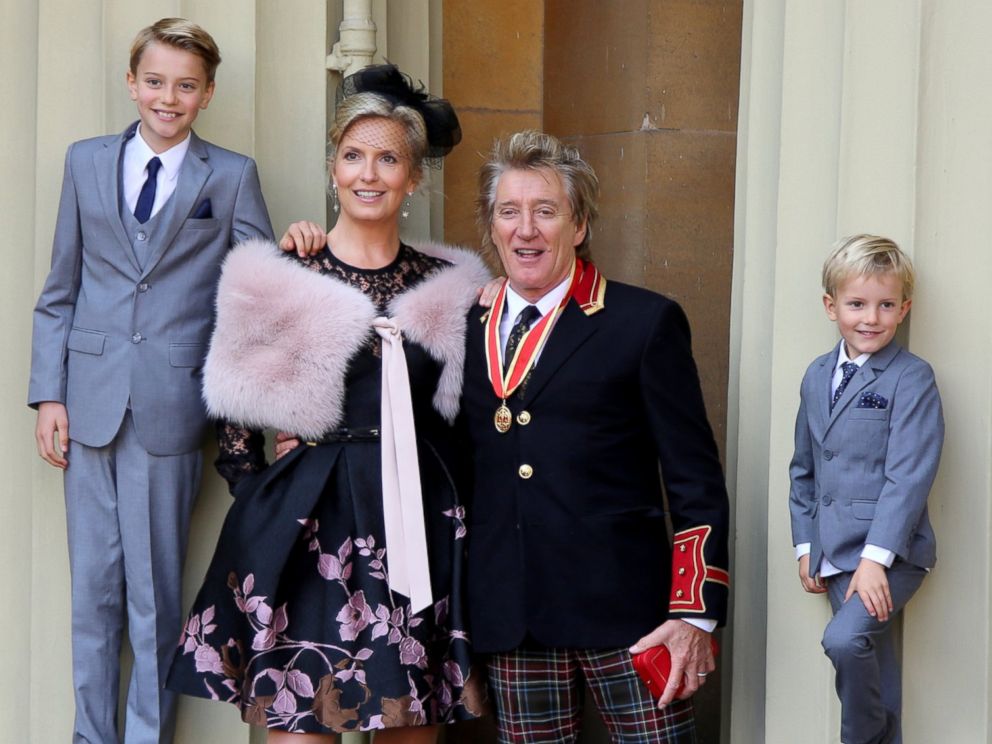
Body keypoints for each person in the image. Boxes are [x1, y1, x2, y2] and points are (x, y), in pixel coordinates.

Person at [166, 64, 488, 742]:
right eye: (353, 155)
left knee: (409, 724)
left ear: (413, 177)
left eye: (389, 158)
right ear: (333, 167)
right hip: (306, 534)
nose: (369, 173)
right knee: (300, 728)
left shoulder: (456, 288)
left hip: (416, 531)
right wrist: (266, 504)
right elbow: (234, 422)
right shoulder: (281, 273)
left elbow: (469, 423)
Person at [28, 18, 274, 744]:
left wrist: (302, 251)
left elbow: (257, 287)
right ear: (132, 82)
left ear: (207, 94)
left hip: (169, 407)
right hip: (87, 400)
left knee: (154, 599)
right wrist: (49, 393)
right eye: (157, 81)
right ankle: (90, 736)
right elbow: (59, 288)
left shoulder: (229, 176)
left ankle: (145, 737)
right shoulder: (85, 161)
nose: (169, 97)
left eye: (186, 85)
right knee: (91, 596)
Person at [461, 130, 730, 742]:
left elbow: (694, 479)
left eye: (545, 211)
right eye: (509, 212)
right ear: (492, 227)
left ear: (578, 225)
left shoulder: (644, 321)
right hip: (511, 616)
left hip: (630, 615)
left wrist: (694, 612)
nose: (525, 229)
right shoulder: (462, 324)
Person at [790, 235, 943, 744]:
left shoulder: (911, 377)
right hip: (831, 552)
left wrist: (876, 559)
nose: (870, 318)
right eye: (857, 304)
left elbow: (909, 475)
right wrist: (805, 544)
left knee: (844, 640)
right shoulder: (815, 375)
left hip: (890, 554)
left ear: (904, 309)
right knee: (876, 667)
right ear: (832, 306)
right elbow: (804, 467)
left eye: (885, 305)